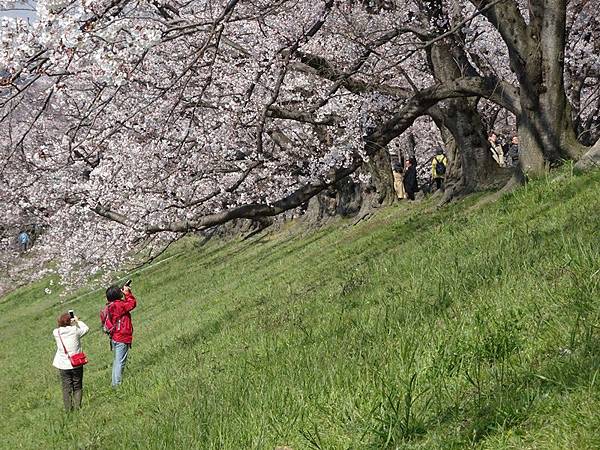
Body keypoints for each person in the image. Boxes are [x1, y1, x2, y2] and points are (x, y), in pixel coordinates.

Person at [52, 312, 89, 411]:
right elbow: (86, 329)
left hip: (63, 364)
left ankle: (68, 409)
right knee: (77, 385)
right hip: (76, 363)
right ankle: (78, 407)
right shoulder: (75, 330)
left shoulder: (56, 332)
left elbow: (60, 328)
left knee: (66, 387)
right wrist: (77, 321)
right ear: (69, 322)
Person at [103, 283, 137, 387]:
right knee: (120, 362)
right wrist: (128, 294)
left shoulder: (111, 306)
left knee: (117, 361)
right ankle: (116, 384)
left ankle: (114, 383)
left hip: (115, 336)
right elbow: (132, 304)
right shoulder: (118, 305)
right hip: (121, 336)